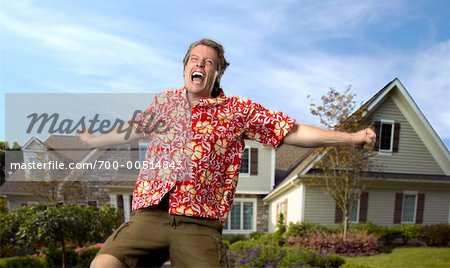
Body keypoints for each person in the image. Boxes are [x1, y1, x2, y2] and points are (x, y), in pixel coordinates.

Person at [79, 39, 376, 268]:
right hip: (150, 216)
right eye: (194, 59)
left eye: (208, 62)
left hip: (199, 223)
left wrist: (350, 137)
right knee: (103, 264)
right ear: (185, 68)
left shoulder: (237, 111)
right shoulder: (164, 103)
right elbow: (132, 128)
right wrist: (95, 141)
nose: (200, 64)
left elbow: (293, 131)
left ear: (217, 73)